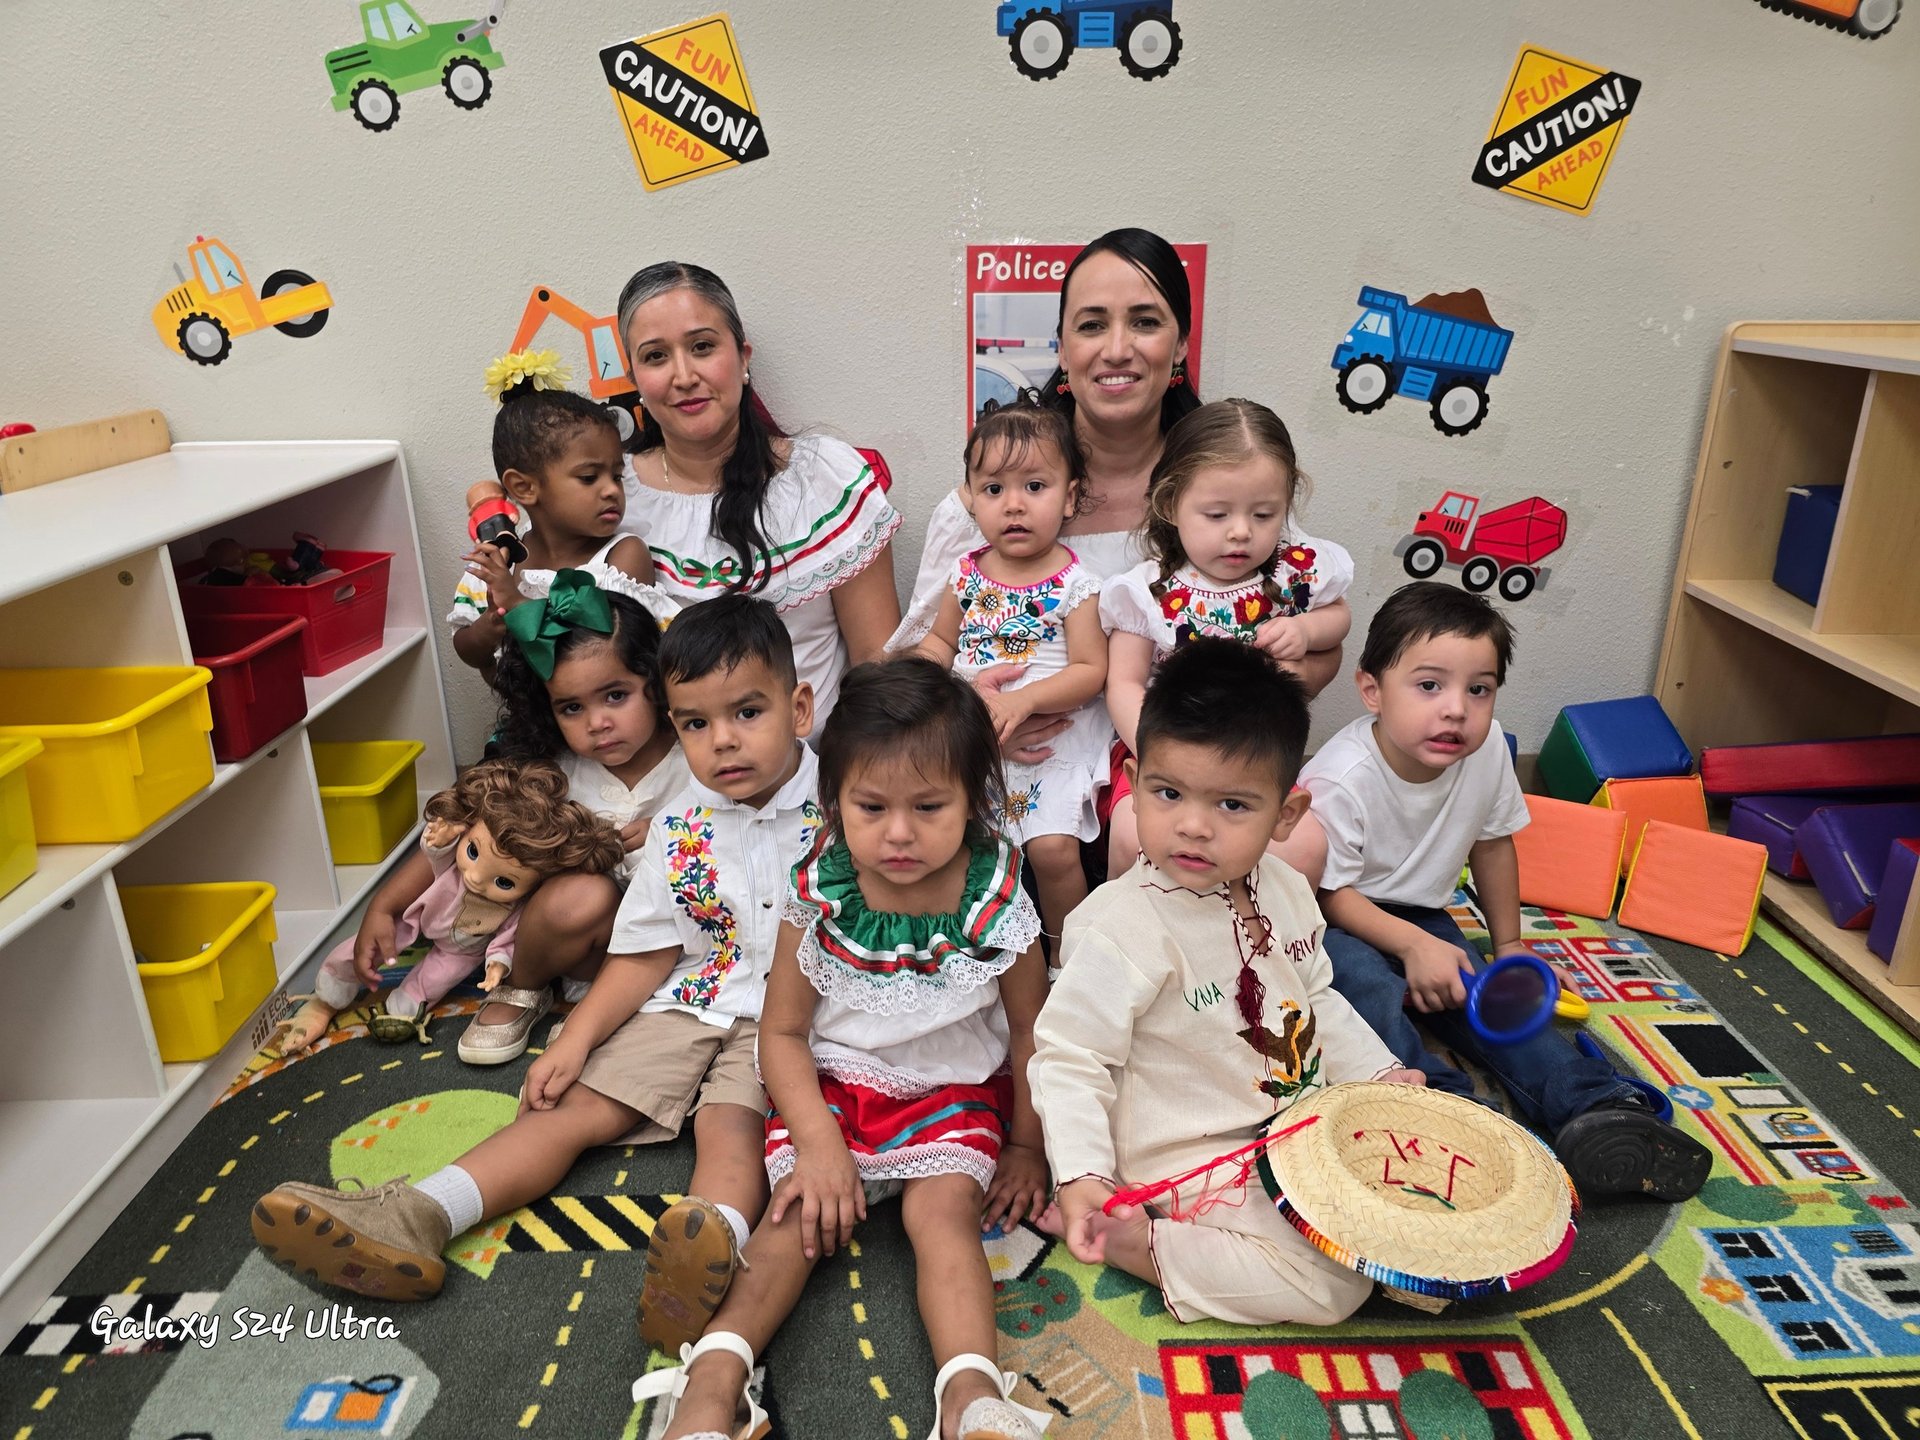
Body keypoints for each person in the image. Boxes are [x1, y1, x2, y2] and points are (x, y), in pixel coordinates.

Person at [248, 596, 820, 1337]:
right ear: (677, 727)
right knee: (570, 1105)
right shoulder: (682, 826)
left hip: (781, 1021)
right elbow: (646, 951)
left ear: (800, 707)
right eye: (697, 724)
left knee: (730, 1128)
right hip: (687, 997)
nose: (724, 743)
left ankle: (706, 1254)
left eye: (748, 713)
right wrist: (577, 1037)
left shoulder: (848, 809)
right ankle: (417, 1215)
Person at [636, 658, 1052, 1440]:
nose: (899, 833)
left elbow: (1032, 1027)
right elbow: (783, 1033)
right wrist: (821, 1145)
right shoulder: (821, 891)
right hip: (834, 1089)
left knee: (947, 1216)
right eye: (870, 806)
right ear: (834, 803)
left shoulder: (995, 893)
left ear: (975, 802)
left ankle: (970, 1398)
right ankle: (711, 1386)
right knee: (793, 1221)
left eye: (930, 806)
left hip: (950, 1094)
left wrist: (1028, 1144)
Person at [1029, 640, 1423, 1327]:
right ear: (1135, 776)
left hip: (1296, 1124)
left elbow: (1318, 995)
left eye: (1233, 805)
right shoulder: (1120, 925)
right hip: (1192, 1153)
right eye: (1168, 792)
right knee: (1334, 1284)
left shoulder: (1286, 889)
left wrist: (1380, 1074)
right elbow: (1069, 1057)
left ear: (1286, 815)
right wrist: (1083, 1174)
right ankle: (1143, 1245)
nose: (1193, 824)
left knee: (1417, 1229)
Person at [1302, 582, 1712, 1203]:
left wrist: (1511, 944)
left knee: (1492, 1003)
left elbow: (1493, 844)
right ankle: (1439, 1112)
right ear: (1372, 691)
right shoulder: (1342, 776)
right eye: (1429, 685)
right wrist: (1411, 947)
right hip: (1332, 919)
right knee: (1365, 993)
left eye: (1480, 689)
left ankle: (1591, 1104)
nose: (1456, 710)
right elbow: (1328, 895)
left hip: (1422, 912)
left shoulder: (1488, 749)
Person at [902, 228, 1344, 762]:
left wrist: (1288, 670)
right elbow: (924, 661)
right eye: (1092, 325)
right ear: (1062, 349)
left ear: (1181, 343)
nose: (1116, 349)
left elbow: (1322, 642)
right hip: (1022, 792)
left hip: (1195, 792)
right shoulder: (981, 509)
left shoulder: (1236, 493)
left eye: (1145, 322)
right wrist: (977, 720)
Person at [617, 261, 902, 723]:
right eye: (656, 356)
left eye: (703, 347)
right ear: (634, 379)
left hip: (814, 778)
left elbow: (879, 664)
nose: (684, 374)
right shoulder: (608, 497)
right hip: (660, 787)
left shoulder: (822, 479)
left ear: (743, 356)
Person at [1101, 398, 1352, 876]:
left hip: (1254, 756)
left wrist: (1305, 629)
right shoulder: (1147, 591)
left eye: (1263, 515)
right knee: (1133, 835)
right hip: (1165, 757)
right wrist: (1157, 754)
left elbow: (1339, 616)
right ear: (1172, 503)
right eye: (1217, 515)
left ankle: (1279, 943)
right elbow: (1125, 683)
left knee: (1307, 844)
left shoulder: (1293, 571)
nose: (1241, 533)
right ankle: (1124, 936)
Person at [457, 574, 693, 1064]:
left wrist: (680, 836)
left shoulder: (699, 756)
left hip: (679, 951)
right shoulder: (553, 772)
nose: (597, 723)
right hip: (587, 946)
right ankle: (524, 987)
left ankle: (626, 1009)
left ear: (655, 682)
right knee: (582, 894)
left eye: (615, 696)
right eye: (571, 707)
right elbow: (473, 832)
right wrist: (388, 904)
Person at [903, 395, 1108, 941]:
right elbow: (941, 643)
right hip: (974, 739)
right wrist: (933, 689)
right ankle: (979, 958)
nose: (1013, 505)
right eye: (994, 489)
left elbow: (1091, 669)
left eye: (1034, 487)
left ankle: (1071, 961)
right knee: (969, 854)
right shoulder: (965, 573)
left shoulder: (1075, 583)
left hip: (1050, 742)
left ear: (1071, 497)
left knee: (1053, 851)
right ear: (970, 498)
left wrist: (1022, 701)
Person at [266, 758, 625, 1056]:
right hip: (417, 920)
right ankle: (326, 999)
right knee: (361, 951)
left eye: (504, 882)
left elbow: (507, 938)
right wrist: (380, 910)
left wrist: (497, 967)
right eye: (472, 852)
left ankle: (401, 1011)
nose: (474, 879)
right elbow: (433, 858)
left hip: (463, 953)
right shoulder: (450, 865)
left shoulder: (518, 906)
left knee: (429, 981)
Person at [450, 351, 668, 682]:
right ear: (523, 488)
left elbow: (598, 655)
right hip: (526, 727)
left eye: (616, 476)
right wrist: (492, 623)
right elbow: (468, 650)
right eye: (589, 477)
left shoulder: (622, 556)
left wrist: (519, 604)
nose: (611, 490)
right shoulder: (502, 561)